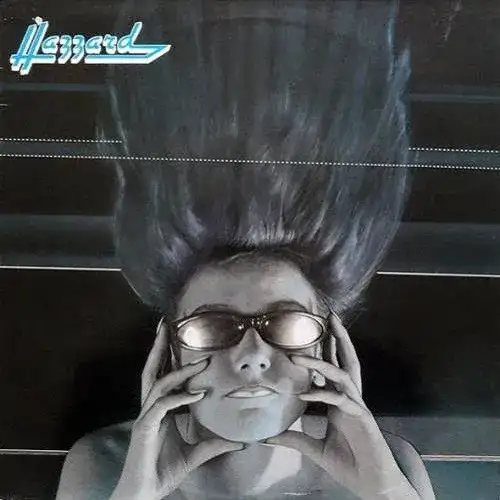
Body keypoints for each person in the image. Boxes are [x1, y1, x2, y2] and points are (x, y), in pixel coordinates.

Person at [56, 1, 436, 498]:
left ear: (330, 346)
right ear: (168, 349)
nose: (253, 356)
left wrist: (382, 489)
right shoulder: (105, 464)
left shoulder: (389, 466)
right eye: (212, 327)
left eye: (288, 324)